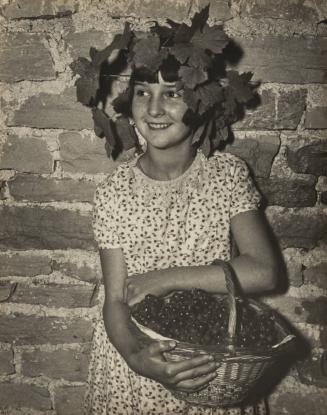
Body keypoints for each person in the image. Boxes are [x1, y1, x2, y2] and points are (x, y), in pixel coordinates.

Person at [82, 8, 279, 415]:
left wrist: (164, 279)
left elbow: (264, 270)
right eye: (142, 92)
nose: (154, 109)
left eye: (172, 92)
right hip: (134, 366)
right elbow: (116, 297)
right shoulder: (115, 191)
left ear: (203, 101)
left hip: (210, 363)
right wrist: (137, 356)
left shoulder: (226, 176)